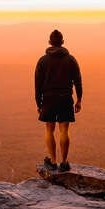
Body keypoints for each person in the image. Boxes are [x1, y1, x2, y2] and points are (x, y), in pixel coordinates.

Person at [34, 29, 82, 172]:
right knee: (64, 130)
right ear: (62, 42)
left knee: (49, 129)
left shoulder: (42, 61)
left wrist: (38, 103)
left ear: (49, 42)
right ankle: (64, 162)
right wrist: (79, 99)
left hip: (48, 98)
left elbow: (38, 84)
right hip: (65, 98)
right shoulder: (71, 59)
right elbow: (78, 81)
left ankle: (53, 162)